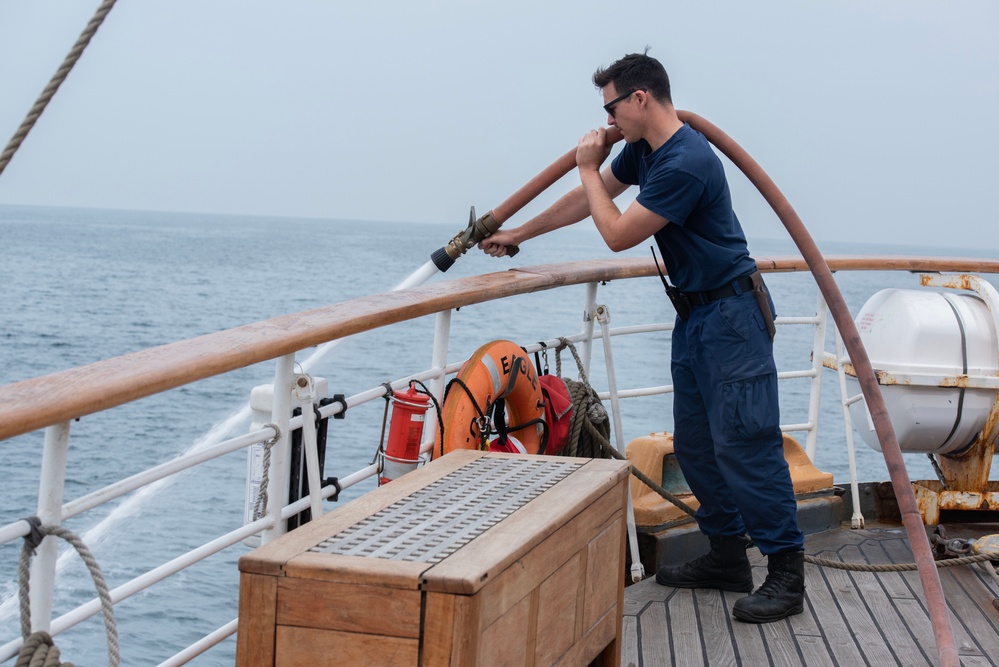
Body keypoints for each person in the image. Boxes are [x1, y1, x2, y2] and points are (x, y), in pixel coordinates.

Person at [479, 50, 806, 623]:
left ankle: (787, 573)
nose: (608, 123)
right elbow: (591, 198)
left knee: (747, 446)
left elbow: (618, 233)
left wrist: (585, 165)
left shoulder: (686, 161)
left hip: (732, 319)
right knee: (699, 448)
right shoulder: (645, 152)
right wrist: (521, 233)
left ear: (640, 98)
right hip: (696, 318)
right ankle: (728, 557)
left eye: (611, 108)